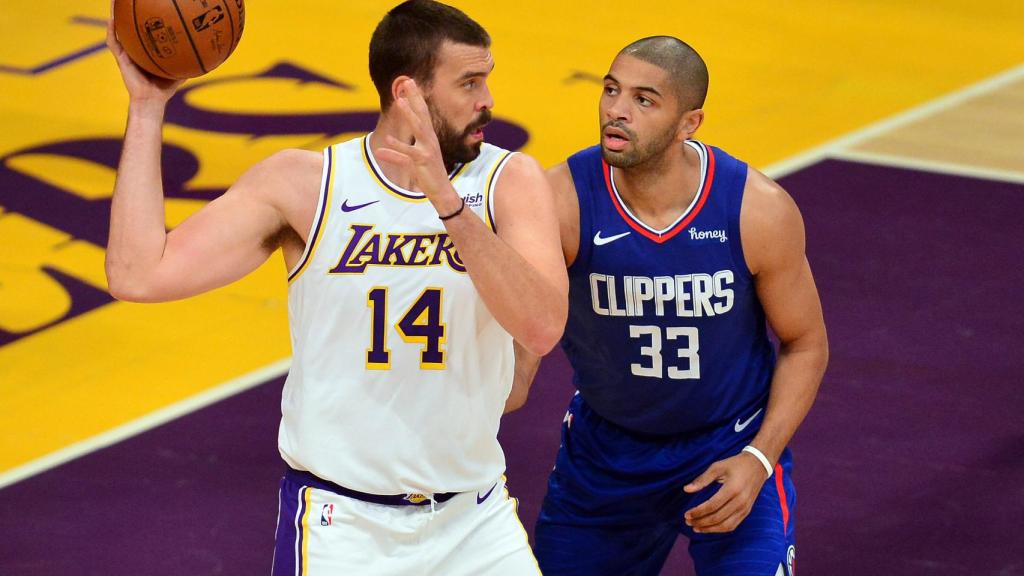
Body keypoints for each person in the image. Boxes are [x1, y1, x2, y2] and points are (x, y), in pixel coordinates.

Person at [104, 1, 567, 574]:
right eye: (470, 82)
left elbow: (543, 328)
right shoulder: (307, 185)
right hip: (342, 526)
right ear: (407, 94)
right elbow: (136, 274)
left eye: (486, 80)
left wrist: (444, 202)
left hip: (474, 520)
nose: (487, 100)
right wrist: (148, 109)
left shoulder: (507, 181)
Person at [520, 37, 829, 575]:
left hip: (731, 447)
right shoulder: (561, 201)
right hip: (606, 458)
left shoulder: (756, 209)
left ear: (690, 123)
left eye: (644, 99)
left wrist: (760, 459)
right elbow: (521, 333)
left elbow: (806, 342)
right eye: (611, 90)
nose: (616, 109)